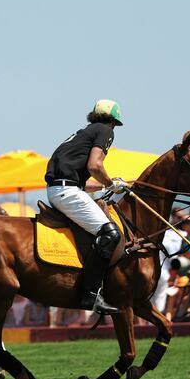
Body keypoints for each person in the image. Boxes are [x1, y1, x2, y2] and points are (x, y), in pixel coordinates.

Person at [44, 99, 127, 315]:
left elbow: (81, 180)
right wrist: (111, 184)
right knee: (111, 233)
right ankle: (90, 294)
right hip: (67, 192)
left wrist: (109, 184)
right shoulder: (105, 131)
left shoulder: (84, 132)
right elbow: (95, 165)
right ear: (114, 122)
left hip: (60, 189)